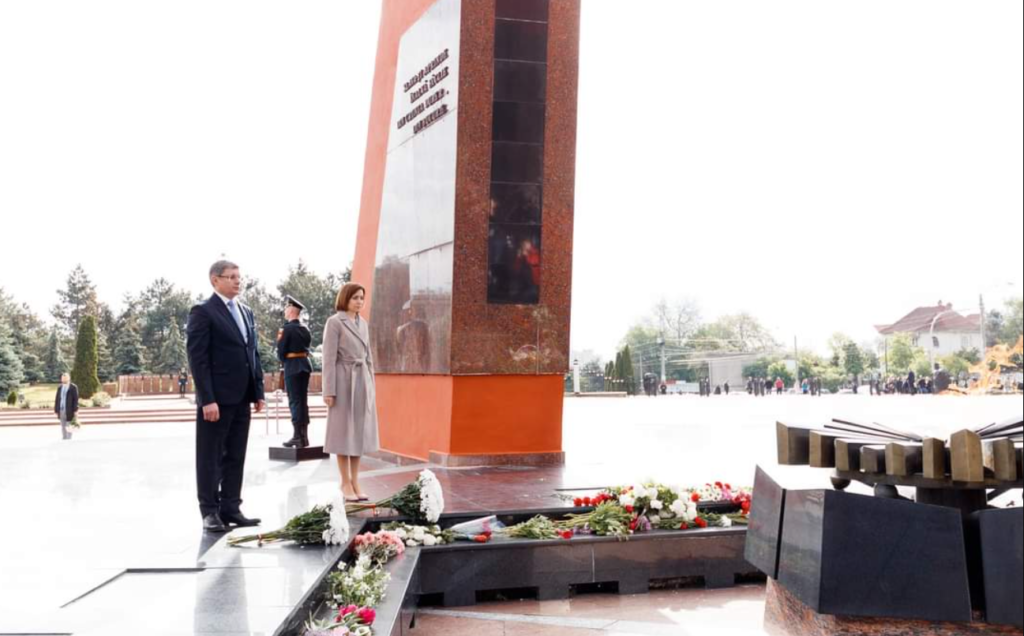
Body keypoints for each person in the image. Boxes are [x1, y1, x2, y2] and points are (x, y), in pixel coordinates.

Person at [186, 260, 266, 533]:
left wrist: (258, 391)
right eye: (231, 277)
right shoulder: (203, 311)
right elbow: (198, 359)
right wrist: (206, 399)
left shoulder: (246, 311)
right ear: (215, 280)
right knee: (210, 456)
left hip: (242, 397)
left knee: (235, 455)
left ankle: (231, 507)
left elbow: (252, 353)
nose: (237, 281)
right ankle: (209, 511)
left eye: (238, 277)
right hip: (216, 401)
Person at [323, 283, 380, 503]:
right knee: (342, 432)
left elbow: (369, 357)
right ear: (345, 298)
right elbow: (328, 359)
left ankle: (356, 481)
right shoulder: (335, 322)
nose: (359, 301)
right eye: (355, 297)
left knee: (359, 433)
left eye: (362, 298)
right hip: (342, 380)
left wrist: (371, 385)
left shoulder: (363, 323)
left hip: (362, 380)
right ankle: (345, 481)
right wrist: (329, 390)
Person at [277, 295, 313, 449]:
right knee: (302, 401)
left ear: (292, 310)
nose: (285, 310)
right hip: (304, 365)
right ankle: (304, 437)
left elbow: (281, 352)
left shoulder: (286, 329)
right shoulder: (305, 328)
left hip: (292, 366)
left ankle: (297, 437)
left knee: (294, 401)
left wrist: (283, 360)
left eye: (287, 308)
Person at [53, 373, 79, 441]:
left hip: (69, 410)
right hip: (61, 410)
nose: (63, 379)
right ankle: (64, 439)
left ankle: (69, 439)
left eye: (65, 378)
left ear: (69, 378)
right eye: (62, 378)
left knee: (69, 425)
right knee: (63, 426)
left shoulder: (73, 387)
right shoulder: (60, 387)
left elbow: (76, 399)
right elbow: (57, 399)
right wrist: (56, 410)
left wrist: (76, 410)